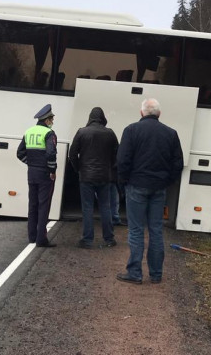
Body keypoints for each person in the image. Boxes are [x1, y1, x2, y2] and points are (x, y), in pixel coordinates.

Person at [116, 99, 183, 285]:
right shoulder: (171, 134)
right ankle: (156, 274)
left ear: (141, 113)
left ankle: (135, 273)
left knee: (136, 230)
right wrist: (166, 182)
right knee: (156, 230)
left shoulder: (131, 131)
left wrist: (123, 183)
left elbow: (122, 160)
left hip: (136, 185)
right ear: (159, 114)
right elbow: (177, 164)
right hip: (159, 188)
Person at [68, 107, 118, 249]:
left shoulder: (82, 131)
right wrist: (110, 167)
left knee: (87, 208)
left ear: (90, 117)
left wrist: (79, 169)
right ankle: (109, 239)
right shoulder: (110, 133)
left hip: (86, 176)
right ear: (103, 118)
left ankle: (87, 240)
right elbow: (118, 153)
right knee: (105, 207)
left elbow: (72, 154)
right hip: (104, 176)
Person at [17, 104, 58, 247]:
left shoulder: (29, 132)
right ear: (47, 120)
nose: (52, 121)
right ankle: (41, 239)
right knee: (43, 206)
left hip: (32, 173)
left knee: (32, 205)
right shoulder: (49, 133)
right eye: (52, 119)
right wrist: (52, 171)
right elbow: (51, 153)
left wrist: (31, 163)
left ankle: (32, 237)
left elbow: (19, 153)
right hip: (45, 174)